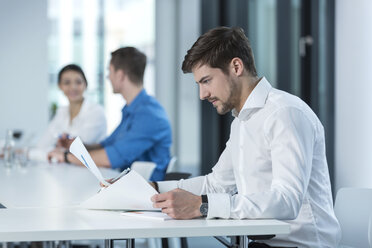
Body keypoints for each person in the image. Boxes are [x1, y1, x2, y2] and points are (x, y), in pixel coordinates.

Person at [150, 27, 341, 247]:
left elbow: (287, 201)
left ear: (236, 67)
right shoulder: (242, 122)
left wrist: (202, 205)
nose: (202, 94)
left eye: (206, 81)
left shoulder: (284, 113)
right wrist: (153, 189)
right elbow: (216, 185)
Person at [48, 47, 172, 181]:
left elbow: (111, 158)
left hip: (146, 190)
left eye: (110, 71)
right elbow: (107, 144)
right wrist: (74, 146)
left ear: (120, 75)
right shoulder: (133, 109)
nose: (108, 76)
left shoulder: (149, 115)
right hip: (127, 182)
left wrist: (66, 157)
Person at [28, 64, 107, 161]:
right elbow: (42, 144)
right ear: (60, 86)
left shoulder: (96, 112)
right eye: (67, 82)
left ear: (85, 85)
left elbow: (77, 147)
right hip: (68, 169)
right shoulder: (62, 112)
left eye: (78, 82)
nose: (73, 87)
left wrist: (58, 146)